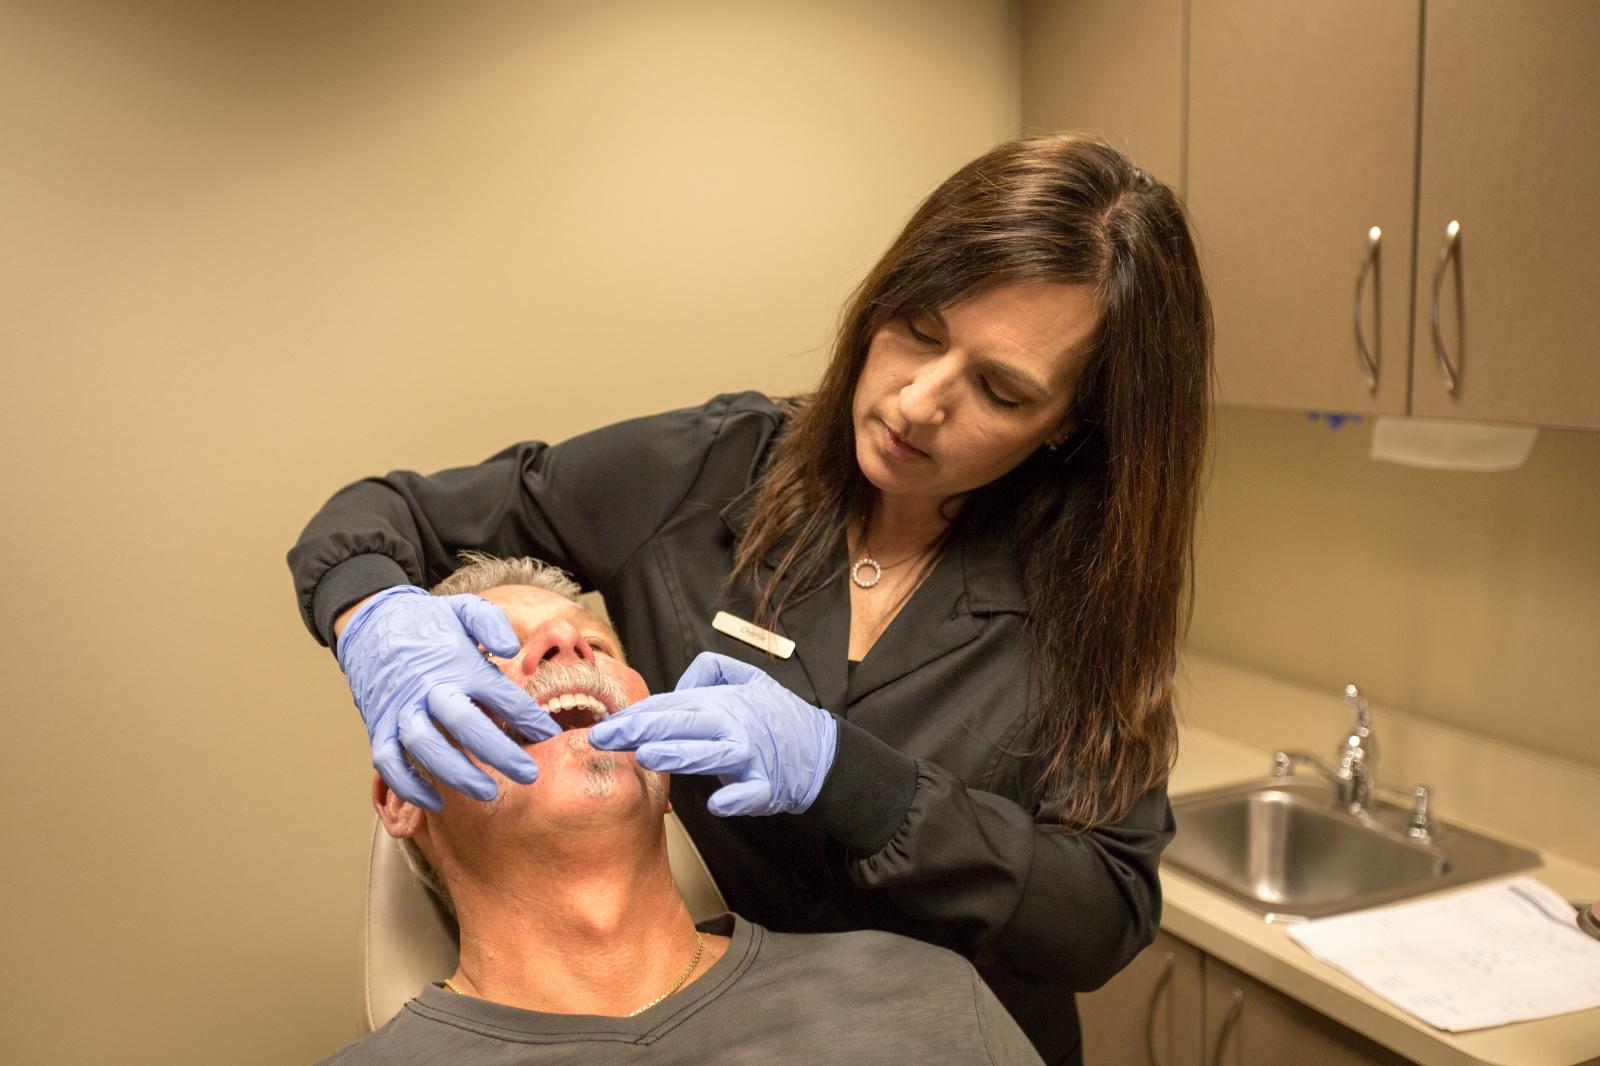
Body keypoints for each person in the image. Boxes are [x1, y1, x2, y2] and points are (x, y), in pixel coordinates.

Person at [290, 133, 1212, 1065]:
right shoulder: (705, 475)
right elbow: (382, 515)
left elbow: (1100, 917)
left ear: (1072, 424)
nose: (918, 401)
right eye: (918, 330)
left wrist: (848, 778)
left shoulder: (1089, 601)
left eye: (1000, 389)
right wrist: (374, 620)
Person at [317, 554, 1043, 1065]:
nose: (565, 642)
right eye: (483, 653)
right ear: (401, 794)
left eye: (595, 641)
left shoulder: (919, 990)